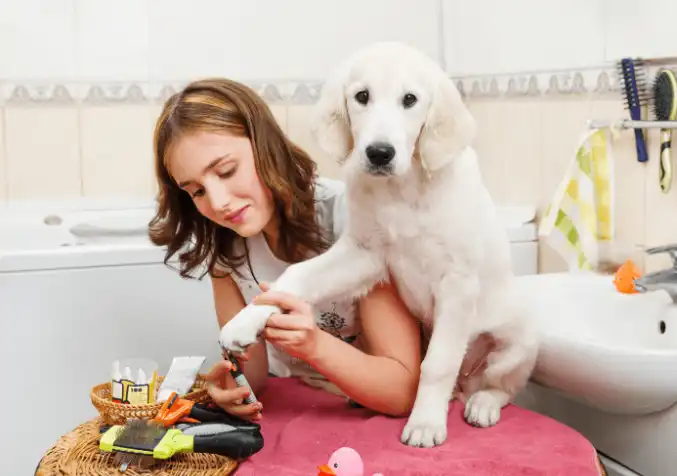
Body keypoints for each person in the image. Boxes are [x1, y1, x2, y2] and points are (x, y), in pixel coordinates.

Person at [148, 78, 492, 422]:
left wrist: (312, 344)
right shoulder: (225, 245)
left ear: (264, 144)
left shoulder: (354, 219)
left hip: (381, 409)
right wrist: (228, 386)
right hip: (310, 404)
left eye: (227, 171)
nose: (219, 202)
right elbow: (252, 376)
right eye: (196, 192)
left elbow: (401, 390)